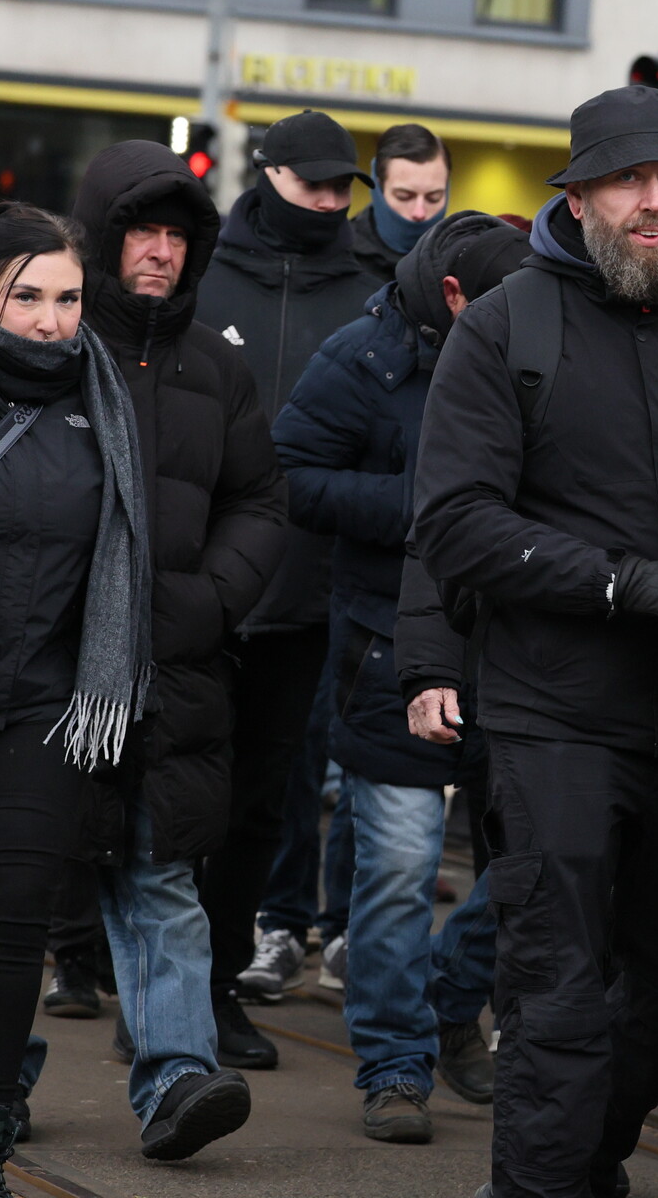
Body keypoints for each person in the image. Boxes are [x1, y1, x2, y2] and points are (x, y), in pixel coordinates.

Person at [410, 86, 658, 1198]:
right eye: (631, 181)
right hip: (554, 718)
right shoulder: (505, 327)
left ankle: (581, 1168)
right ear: (580, 196)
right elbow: (453, 522)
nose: (655, 202)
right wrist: (622, 582)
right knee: (558, 995)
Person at [269, 212, 530, 1143]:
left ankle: (451, 997)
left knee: (536, 862)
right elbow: (291, 475)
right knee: (396, 871)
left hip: (516, 652)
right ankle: (394, 1065)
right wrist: (431, 507)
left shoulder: (537, 350)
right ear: (456, 299)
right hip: (387, 645)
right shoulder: (361, 356)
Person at [65, 140, 285, 1159]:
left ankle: (179, 1080)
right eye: (142, 232)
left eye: (176, 235)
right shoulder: (53, 341)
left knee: (161, 879)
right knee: (22, 886)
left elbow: (259, 500)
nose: (160, 251)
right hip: (50, 670)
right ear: (103, 237)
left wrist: (210, 600)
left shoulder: (218, 366)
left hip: (174, 670)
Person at [198, 110, 381, 1070]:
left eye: (341, 186)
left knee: (261, 807)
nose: (328, 200)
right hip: (190, 586)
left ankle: (217, 986)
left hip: (305, 594)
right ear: (265, 174)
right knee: (174, 802)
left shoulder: (365, 291)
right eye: (311, 183)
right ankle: (152, 981)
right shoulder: (202, 274)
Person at [0, 205, 152, 1177]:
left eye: (68, 298)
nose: (51, 321)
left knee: (16, 921)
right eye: (26, 297)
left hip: (50, 703)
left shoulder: (101, 402)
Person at [349, 123, 451, 285]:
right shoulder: (339, 257)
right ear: (378, 187)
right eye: (404, 197)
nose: (419, 213)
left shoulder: (462, 261)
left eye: (434, 197)